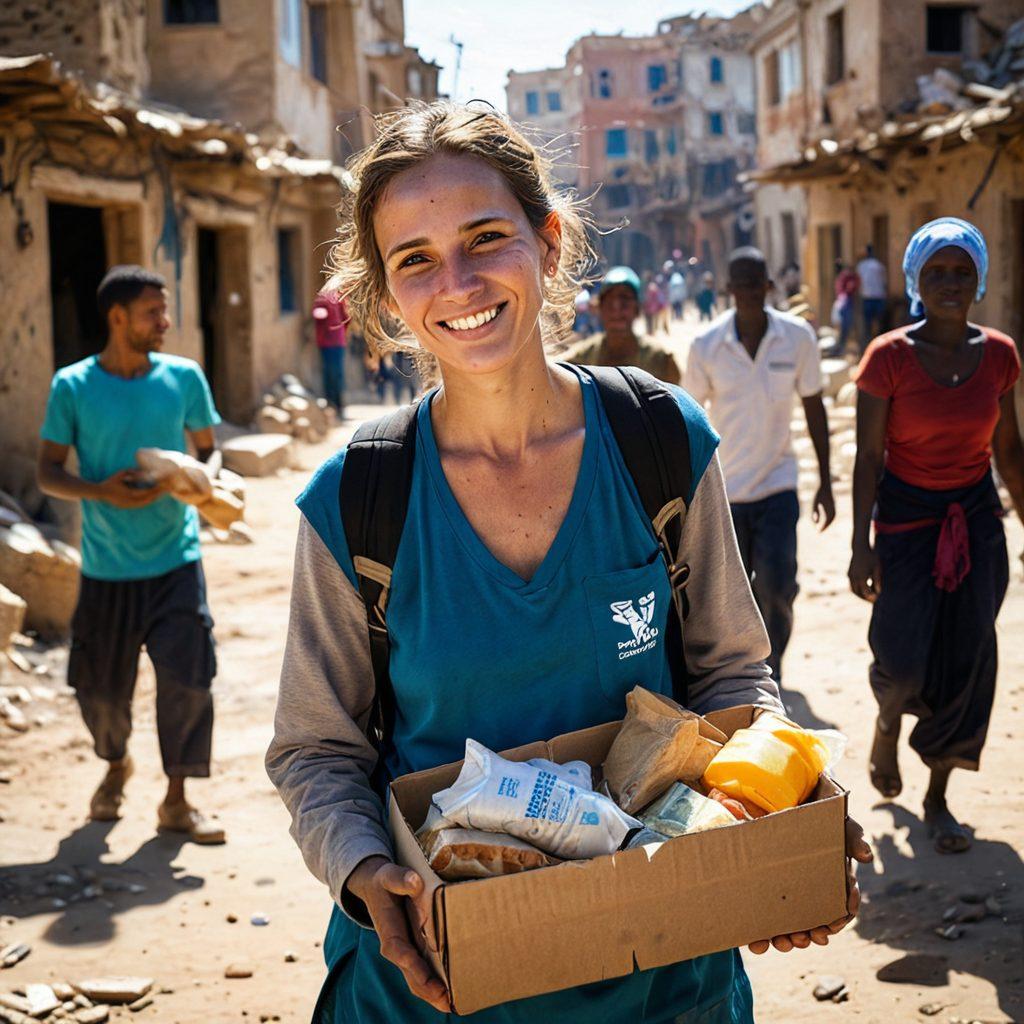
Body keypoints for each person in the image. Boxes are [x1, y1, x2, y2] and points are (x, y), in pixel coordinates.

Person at [266, 102, 867, 1024]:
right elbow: (316, 749)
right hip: (433, 984)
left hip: (666, 978)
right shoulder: (357, 500)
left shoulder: (659, 443)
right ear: (386, 293)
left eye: (486, 237)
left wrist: (771, 817)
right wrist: (363, 869)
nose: (458, 282)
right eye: (415, 257)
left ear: (548, 243)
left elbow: (732, 673)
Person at [849, 217, 1024, 854]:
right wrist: (859, 546)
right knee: (899, 662)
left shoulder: (1000, 355)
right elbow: (869, 459)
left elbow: (1010, 451)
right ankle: (889, 722)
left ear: (979, 278)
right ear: (915, 281)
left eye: (962, 271)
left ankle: (938, 796)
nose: (950, 282)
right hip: (905, 524)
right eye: (936, 272)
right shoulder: (888, 357)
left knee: (969, 657)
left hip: (975, 523)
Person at [37, 265, 225, 844]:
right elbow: (48, 472)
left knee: (189, 681)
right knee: (98, 693)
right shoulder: (72, 385)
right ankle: (116, 764)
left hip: (175, 562)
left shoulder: (184, 377)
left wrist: (197, 482)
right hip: (105, 571)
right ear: (117, 317)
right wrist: (101, 491)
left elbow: (212, 456)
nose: (165, 322)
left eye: (164, 310)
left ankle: (177, 799)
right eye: (153, 312)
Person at [686, 247, 835, 687]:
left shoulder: (796, 338)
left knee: (777, 584)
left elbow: (814, 407)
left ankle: (775, 661)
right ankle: (747, 670)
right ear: (729, 289)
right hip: (725, 491)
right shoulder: (707, 346)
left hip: (778, 483)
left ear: (768, 287)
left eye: (757, 283)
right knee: (735, 595)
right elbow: (691, 418)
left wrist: (826, 481)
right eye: (741, 283)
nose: (749, 292)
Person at [563, 266, 681, 384]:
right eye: (610, 303)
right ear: (600, 309)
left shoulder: (661, 361)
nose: (617, 310)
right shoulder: (580, 360)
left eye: (624, 302)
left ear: (637, 309)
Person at [312, 287, 350, 414]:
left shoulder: (324, 300)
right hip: (334, 341)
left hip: (330, 342)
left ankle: (334, 404)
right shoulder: (337, 300)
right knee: (335, 373)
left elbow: (319, 315)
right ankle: (336, 404)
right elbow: (346, 319)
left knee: (331, 373)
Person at [856, 245, 887, 350]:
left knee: (868, 325)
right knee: (879, 323)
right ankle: (879, 346)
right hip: (878, 296)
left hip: (867, 297)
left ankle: (869, 346)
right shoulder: (879, 265)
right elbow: (884, 281)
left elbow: (859, 282)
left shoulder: (861, 266)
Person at [831, 259, 860, 355]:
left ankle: (842, 349)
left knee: (844, 330)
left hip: (842, 305)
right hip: (846, 305)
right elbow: (850, 288)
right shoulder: (846, 277)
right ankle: (844, 349)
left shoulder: (841, 277)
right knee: (847, 329)